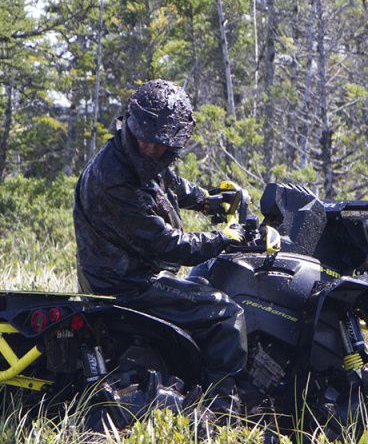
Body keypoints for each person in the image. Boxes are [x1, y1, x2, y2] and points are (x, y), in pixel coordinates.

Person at [73, 79, 247, 403]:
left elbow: (170, 184)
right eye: (146, 141)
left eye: (161, 144)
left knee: (210, 282)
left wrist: (207, 200)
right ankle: (223, 411)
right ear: (134, 128)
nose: (152, 149)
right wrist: (223, 238)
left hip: (124, 277)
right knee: (226, 315)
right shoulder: (113, 180)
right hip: (127, 285)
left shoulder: (134, 157)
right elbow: (167, 244)